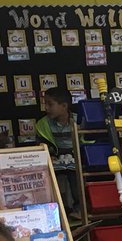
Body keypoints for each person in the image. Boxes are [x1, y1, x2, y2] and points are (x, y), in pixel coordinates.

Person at [35, 87, 81, 218]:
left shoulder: (78, 120)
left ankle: (79, 208)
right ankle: (61, 210)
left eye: (50, 104)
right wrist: (51, 155)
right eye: (45, 104)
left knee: (74, 173)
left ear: (64, 106)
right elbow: (41, 145)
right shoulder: (43, 124)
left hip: (75, 158)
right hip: (55, 159)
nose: (46, 108)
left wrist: (77, 154)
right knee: (55, 176)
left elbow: (87, 141)